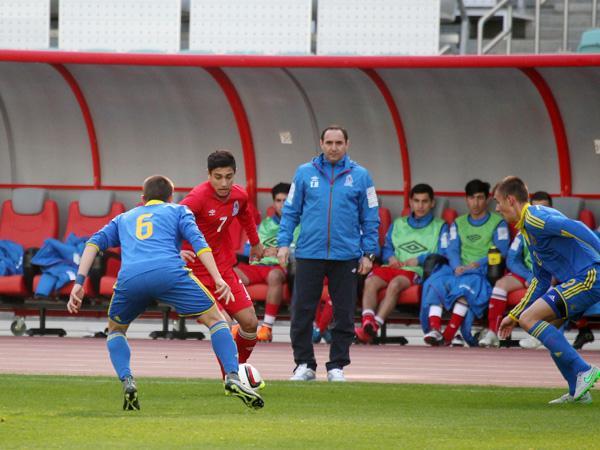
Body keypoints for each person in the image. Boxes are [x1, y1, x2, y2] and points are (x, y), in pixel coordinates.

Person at [67, 175, 263, 410]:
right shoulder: (179, 211)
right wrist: (218, 278)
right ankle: (232, 376)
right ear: (171, 198)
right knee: (216, 320)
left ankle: (128, 380)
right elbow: (200, 244)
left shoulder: (123, 218)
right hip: (169, 274)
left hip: (131, 278)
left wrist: (79, 282)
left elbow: (92, 243)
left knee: (116, 330)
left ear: (143, 199)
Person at [277, 125, 379, 382]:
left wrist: (369, 253)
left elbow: (370, 217)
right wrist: (283, 243)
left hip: (346, 255)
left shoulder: (361, 176)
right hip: (309, 252)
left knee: (344, 313)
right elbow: (290, 211)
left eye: (339, 143)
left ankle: (337, 366)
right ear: (321, 144)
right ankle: (304, 364)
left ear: (347, 144)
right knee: (302, 311)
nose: (334, 148)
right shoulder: (304, 172)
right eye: (329, 143)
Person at [497, 176, 600, 404]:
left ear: (510, 200)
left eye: (498, 202)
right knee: (547, 325)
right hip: (582, 279)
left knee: (530, 319)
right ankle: (577, 392)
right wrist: (514, 315)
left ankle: (584, 370)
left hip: (589, 276)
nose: (497, 208)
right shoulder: (528, 230)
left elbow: (576, 227)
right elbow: (540, 281)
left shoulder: (535, 218)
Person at [180, 150, 263, 367]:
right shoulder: (196, 198)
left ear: (235, 174)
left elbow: (245, 214)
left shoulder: (239, 196)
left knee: (250, 323)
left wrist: (256, 243)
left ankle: (238, 369)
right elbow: (170, 222)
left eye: (229, 176)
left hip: (223, 269)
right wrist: (174, 251)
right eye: (218, 177)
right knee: (223, 323)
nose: (224, 183)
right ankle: (232, 375)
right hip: (195, 273)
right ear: (208, 175)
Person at [355, 183, 447, 344]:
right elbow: (387, 247)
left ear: (432, 203)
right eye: (416, 201)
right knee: (370, 281)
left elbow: (443, 252)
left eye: (425, 201)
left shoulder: (441, 226)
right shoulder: (398, 223)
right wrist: (390, 257)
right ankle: (368, 321)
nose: (420, 205)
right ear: (410, 202)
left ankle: (375, 325)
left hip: (415, 270)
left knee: (395, 284)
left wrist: (419, 259)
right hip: (391, 267)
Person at [422, 179, 510, 346]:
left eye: (480, 198)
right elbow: (452, 249)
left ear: (487, 199)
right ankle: (434, 329)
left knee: (466, 286)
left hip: (482, 272)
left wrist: (478, 264)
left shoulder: (498, 223)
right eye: (471, 198)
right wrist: (457, 266)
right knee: (436, 283)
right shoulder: (458, 222)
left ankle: (448, 335)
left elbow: (502, 250)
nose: (475, 203)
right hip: (459, 270)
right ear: (466, 199)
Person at [479, 191, 553, 348]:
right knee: (500, 285)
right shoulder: (524, 230)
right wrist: (528, 276)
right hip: (528, 274)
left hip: (550, 275)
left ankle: (537, 335)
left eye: (544, 209)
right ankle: (493, 332)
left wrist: (541, 278)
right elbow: (512, 259)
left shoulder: (556, 231)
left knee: (550, 288)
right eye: (535, 208)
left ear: (552, 210)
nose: (539, 213)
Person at [234, 182, 298, 342]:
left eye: (285, 201)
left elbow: (302, 250)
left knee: (275, 276)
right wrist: (261, 251)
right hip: (258, 265)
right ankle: (237, 325)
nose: (282, 204)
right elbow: (248, 250)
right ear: (273, 203)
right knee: (232, 275)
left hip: (280, 267)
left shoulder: (300, 224)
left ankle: (266, 328)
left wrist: (278, 250)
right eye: (278, 200)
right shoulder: (265, 224)